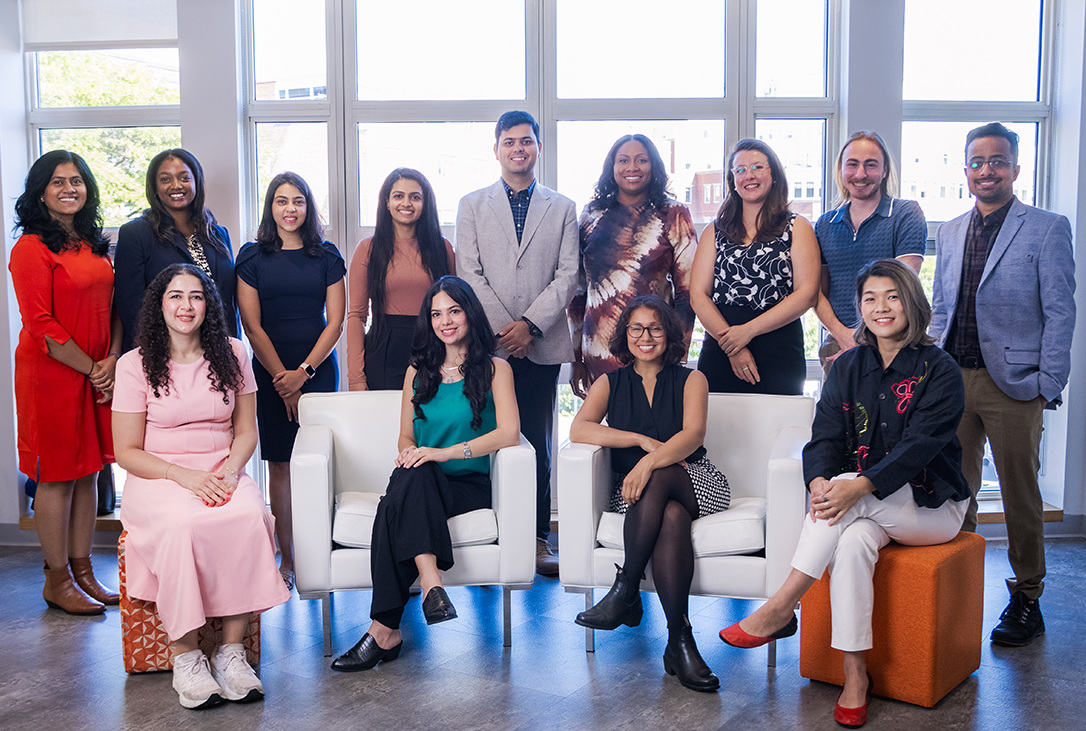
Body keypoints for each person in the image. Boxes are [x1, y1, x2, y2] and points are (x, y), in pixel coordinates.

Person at [720, 259, 970, 728]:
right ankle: (856, 677)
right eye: (870, 298)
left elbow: (918, 450)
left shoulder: (941, 369)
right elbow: (825, 437)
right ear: (859, 308)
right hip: (866, 510)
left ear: (912, 302)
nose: (881, 307)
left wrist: (855, 485)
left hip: (932, 507)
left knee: (851, 498)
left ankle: (780, 605)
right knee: (851, 541)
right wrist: (818, 479)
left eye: (893, 296)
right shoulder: (848, 365)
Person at [113, 264, 290, 710]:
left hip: (221, 468)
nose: (185, 306)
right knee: (181, 524)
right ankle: (186, 656)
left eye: (196, 296)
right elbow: (127, 451)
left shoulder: (233, 353)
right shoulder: (134, 365)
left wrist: (230, 473)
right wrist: (185, 477)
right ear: (159, 304)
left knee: (250, 515)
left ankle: (231, 653)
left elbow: (246, 430)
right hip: (160, 475)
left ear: (208, 305)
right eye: (175, 296)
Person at [929, 122, 1076, 647]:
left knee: (1020, 494)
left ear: (1016, 168)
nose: (986, 170)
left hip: (1014, 384)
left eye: (997, 161)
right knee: (956, 491)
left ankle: (1027, 598)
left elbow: (1061, 311)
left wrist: (1047, 382)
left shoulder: (1047, 227)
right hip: (952, 382)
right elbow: (942, 308)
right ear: (965, 170)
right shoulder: (948, 231)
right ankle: (961, 590)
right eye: (977, 161)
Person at [331, 276, 519, 672]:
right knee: (411, 476)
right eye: (436, 313)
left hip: (468, 484)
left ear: (470, 313)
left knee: (391, 507)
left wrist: (442, 453)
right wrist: (412, 454)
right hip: (424, 478)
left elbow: (509, 433)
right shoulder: (418, 370)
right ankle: (431, 587)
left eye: (454, 310)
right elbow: (404, 435)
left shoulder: (496, 368)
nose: (445, 321)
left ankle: (384, 631)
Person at [569, 295, 729, 693]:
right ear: (625, 334)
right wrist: (639, 441)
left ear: (669, 334)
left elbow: (693, 436)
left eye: (655, 328)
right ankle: (680, 641)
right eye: (636, 328)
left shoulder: (693, 379)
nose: (645, 336)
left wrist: (648, 462)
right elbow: (580, 429)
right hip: (636, 495)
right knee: (671, 518)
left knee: (660, 480)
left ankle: (625, 590)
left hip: (697, 481)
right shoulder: (610, 382)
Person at [456, 110, 579, 576]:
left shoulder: (563, 207)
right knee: (485, 437)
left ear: (538, 148)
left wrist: (530, 325)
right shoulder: (472, 204)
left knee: (538, 442)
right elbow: (470, 273)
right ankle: (488, 533)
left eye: (526, 141)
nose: (518, 149)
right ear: (496, 149)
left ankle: (536, 538)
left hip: (541, 345)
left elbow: (568, 275)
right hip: (487, 346)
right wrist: (508, 329)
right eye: (509, 142)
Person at [10, 149, 121, 615]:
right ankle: (56, 579)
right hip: (52, 376)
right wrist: (92, 367)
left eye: (76, 180)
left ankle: (83, 571)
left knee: (90, 469)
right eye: (58, 182)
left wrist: (112, 358)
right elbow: (42, 325)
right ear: (40, 191)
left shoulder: (94, 244)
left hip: (97, 371)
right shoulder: (30, 248)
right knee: (57, 476)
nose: (69, 189)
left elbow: (115, 307)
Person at [236, 172, 346, 591]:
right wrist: (283, 379)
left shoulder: (327, 256)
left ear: (308, 207)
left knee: (320, 460)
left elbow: (335, 322)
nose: (290, 209)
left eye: (298, 201)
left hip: (316, 370)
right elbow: (251, 324)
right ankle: (287, 556)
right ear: (271, 207)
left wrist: (304, 375)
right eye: (281, 201)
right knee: (280, 463)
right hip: (268, 373)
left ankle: (323, 550)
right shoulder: (252, 257)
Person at [568, 134, 697, 398]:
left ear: (654, 166)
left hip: (653, 350)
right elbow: (579, 291)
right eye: (623, 160)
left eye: (641, 160)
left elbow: (688, 292)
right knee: (605, 432)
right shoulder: (591, 214)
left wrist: (678, 353)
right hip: (598, 349)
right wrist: (576, 357)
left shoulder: (674, 213)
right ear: (611, 167)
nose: (632, 168)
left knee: (653, 429)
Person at [690, 138, 820, 395]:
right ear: (732, 181)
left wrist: (747, 332)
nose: (749, 175)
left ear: (774, 175)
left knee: (778, 430)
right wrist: (733, 346)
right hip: (722, 345)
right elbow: (698, 295)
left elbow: (806, 294)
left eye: (758, 167)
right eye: (740, 170)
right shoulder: (714, 231)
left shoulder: (798, 227)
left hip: (779, 347)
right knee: (718, 430)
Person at [814, 131, 926, 372]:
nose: (860, 174)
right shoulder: (825, 224)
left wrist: (866, 342)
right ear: (841, 170)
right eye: (852, 165)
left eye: (871, 165)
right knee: (836, 411)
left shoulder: (905, 214)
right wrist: (843, 336)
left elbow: (902, 288)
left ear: (884, 170)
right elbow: (817, 292)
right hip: (839, 346)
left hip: (893, 346)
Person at [115, 148, 239, 353]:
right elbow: (132, 309)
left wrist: (232, 350)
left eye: (184, 178)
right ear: (154, 187)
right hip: (163, 356)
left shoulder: (218, 234)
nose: (176, 185)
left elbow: (228, 301)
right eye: (165, 179)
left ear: (196, 182)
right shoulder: (135, 234)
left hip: (218, 353)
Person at [347, 168, 454, 391]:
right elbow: (357, 316)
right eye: (398, 196)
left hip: (433, 347)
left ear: (425, 204)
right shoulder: (368, 249)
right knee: (387, 424)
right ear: (386, 202)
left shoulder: (442, 249)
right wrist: (356, 377)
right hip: (384, 349)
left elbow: (456, 310)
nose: (406, 203)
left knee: (432, 423)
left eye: (415, 197)